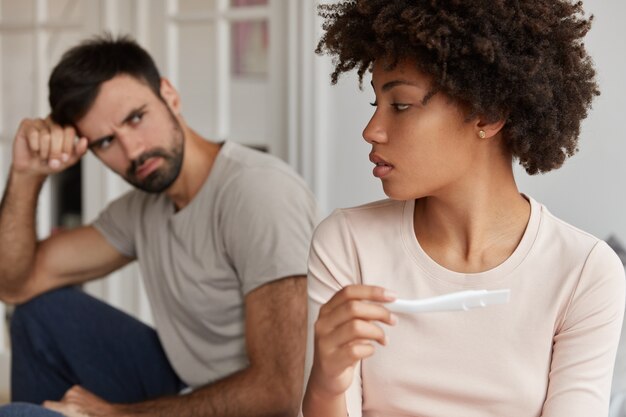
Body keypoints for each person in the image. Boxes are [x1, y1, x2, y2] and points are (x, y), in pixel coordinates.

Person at [303, 1, 625, 417]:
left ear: (487, 115)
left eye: (400, 105)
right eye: (374, 106)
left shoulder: (584, 272)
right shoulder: (347, 243)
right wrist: (326, 385)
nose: (371, 130)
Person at [0, 34, 317, 417]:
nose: (132, 151)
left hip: (260, 408)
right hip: (188, 387)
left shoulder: (258, 191)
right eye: (105, 142)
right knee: (40, 313)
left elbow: (281, 391)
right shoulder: (142, 208)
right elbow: (15, 284)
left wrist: (118, 416)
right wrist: (26, 174)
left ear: (169, 94)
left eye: (136, 118)